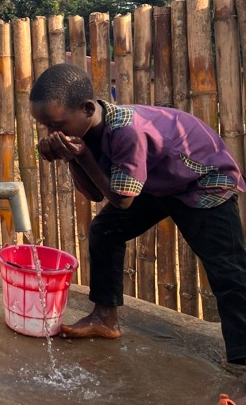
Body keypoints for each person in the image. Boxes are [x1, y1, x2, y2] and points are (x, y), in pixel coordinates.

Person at [29, 62, 246, 366]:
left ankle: (241, 361)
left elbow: (121, 201)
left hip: (202, 180)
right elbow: (96, 193)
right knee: (105, 230)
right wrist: (72, 158)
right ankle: (105, 318)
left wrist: (82, 156)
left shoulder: (127, 131)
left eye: (55, 125)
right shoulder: (84, 130)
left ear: (87, 108)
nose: (51, 134)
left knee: (228, 271)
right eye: (45, 127)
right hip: (158, 181)